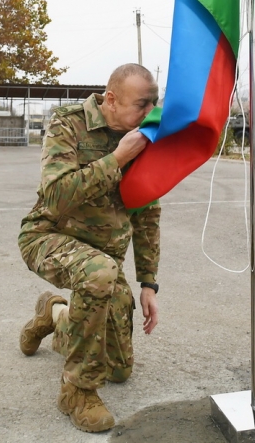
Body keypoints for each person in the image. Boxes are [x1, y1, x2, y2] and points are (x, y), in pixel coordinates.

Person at [17, 63, 160, 433]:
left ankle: (57, 314)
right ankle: (77, 392)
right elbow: (57, 195)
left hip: (102, 260)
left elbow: (147, 214)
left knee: (120, 369)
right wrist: (117, 159)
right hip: (47, 237)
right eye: (141, 105)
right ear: (111, 99)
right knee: (100, 273)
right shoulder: (69, 124)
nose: (149, 113)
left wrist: (148, 283)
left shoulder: (145, 138)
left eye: (153, 104)